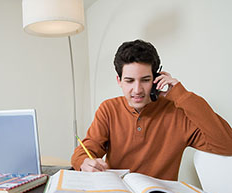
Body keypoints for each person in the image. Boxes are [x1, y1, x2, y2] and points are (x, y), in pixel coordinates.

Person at [71, 39, 232, 181]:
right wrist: (84, 162)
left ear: (157, 79)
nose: (137, 90)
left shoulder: (179, 113)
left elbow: (227, 144)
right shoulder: (108, 109)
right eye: (129, 81)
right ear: (119, 80)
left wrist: (180, 94)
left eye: (145, 80)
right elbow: (86, 150)